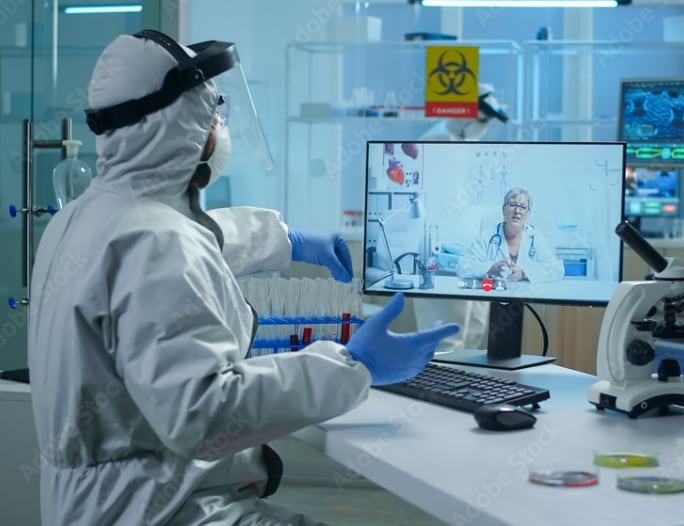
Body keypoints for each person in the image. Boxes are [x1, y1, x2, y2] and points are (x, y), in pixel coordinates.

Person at [27, 30, 458, 526]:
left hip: (106, 503)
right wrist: (350, 366)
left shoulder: (86, 217)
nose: (218, 127)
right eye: (211, 112)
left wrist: (283, 239)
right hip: (167, 509)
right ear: (178, 124)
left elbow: (184, 249)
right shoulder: (156, 242)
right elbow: (205, 413)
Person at [412, 84, 508, 353]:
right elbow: (443, 203)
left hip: (472, 251)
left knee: (474, 333)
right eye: (480, 119)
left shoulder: (467, 144)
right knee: (446, 340)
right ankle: (435, 393)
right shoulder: (437, 140)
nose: (483, 126)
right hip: (442, 254)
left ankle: (467, 390)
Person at [457, 187, 564, 284]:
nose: (517, 211)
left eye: (523, 207)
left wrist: (524, 273)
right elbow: (463, 267)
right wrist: (489, 268)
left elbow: (557, 269)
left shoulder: (536, 238)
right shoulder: (487, 237)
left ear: (528, 213)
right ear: (504, 209)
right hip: (491, 295)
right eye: (513, 205)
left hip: (525, 297)